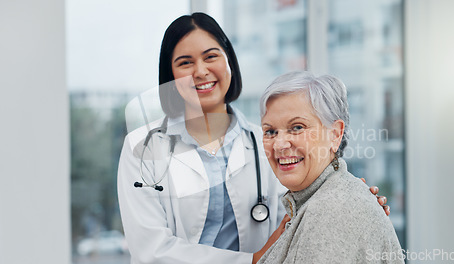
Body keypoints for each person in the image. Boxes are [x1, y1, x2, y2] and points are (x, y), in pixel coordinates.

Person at [117, 12, 390, 264]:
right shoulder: (142, 148)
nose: (200, 71)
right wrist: (250, 260)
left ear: (229, 63)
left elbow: (305, 202)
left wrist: (353, 200)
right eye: (185, 62)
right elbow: (150, 250)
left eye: (210, 56)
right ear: (171, 77)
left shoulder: (267, 141)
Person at [257, 71, 403, 264]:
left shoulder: (332, 212)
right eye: (270, 131)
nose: (279, 144)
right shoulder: (322, 199)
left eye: (298, 127)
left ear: (335, 135)